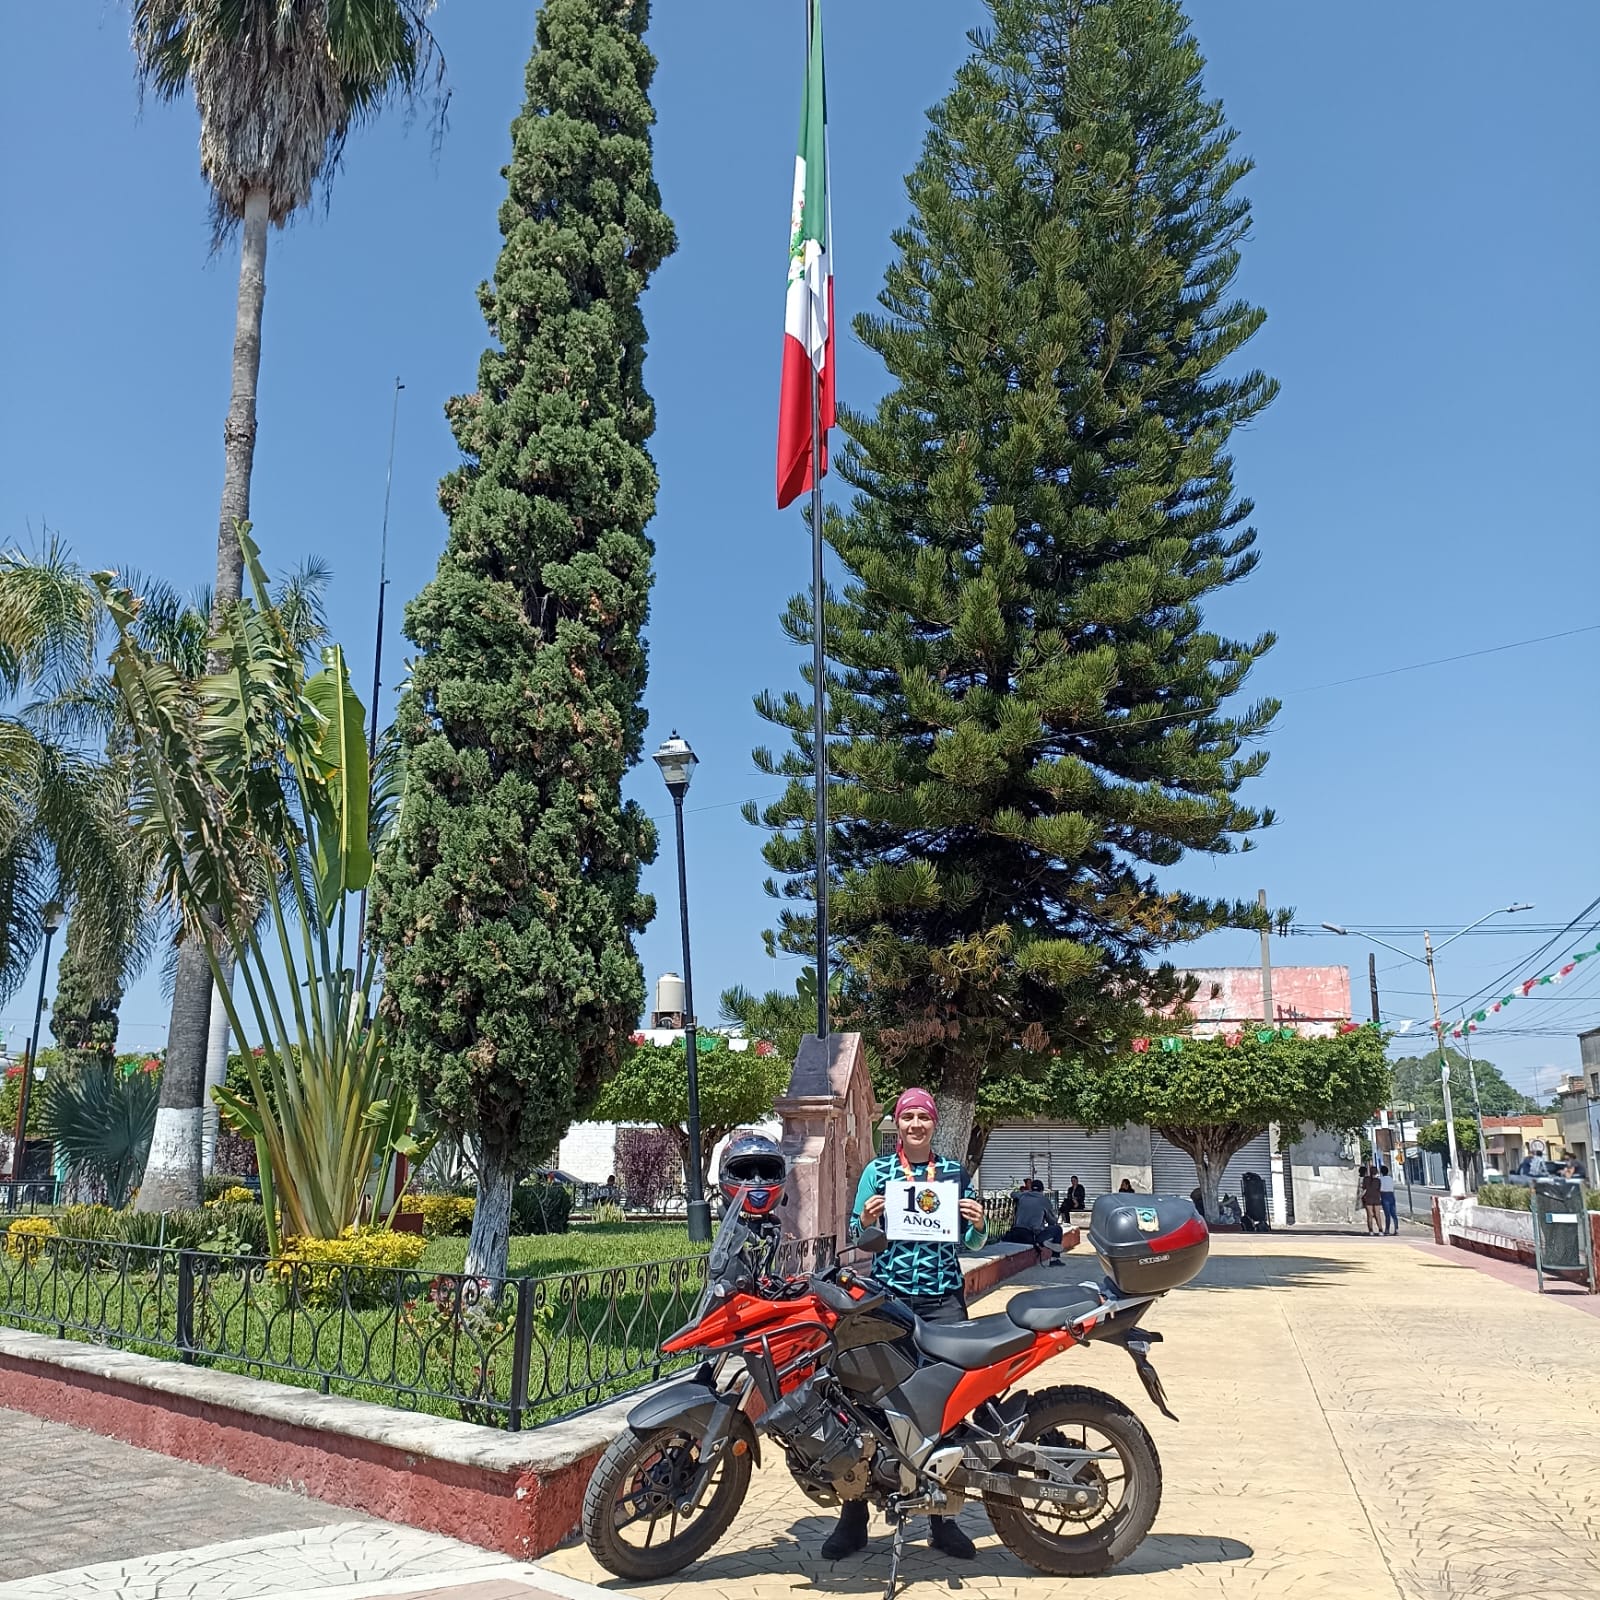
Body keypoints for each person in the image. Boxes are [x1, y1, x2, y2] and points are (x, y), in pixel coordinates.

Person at [824, 1087, 987, 1563]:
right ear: (897, 1123)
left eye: (923, 1117)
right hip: (890, 1301)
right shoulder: (878, 1173)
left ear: (934, 1123)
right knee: (868, 1405)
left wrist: (976, 1222)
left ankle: (943, 1518)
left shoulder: (954, 1173)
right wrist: (868, 1219)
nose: (915, 1124)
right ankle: (853, 1516)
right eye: (907, 1116)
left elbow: (973, 1241)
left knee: (949, 1408)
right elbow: (861, 1238)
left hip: (943, 1302)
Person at [1003, 1178, 1063, 1263]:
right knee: (1057, 1229)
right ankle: (1054, 1258)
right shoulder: (1044, 1200)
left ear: (1031, 1188)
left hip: (1017, 1232)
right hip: (1033, 1235)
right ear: (1042, 1190)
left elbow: (1012, 1194)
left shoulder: (1022, 1196)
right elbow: (1052, 1221)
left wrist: (1026, 1193)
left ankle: (1042, 1242)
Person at [1358, 1163, 1383, 1235]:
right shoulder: (1378, 1180)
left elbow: (1364, 1189)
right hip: (1376, 1198)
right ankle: (1380, 1230)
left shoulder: (1366, 1179)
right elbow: (1379, 1190)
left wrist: (1361, 1197)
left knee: (1370, 1215)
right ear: (1376, 1172)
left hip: (1368, 1198)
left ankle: (1371, 1230)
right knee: (1377, 1215)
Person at [1377, 1162, 1398, 1235]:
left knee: (1387, 1214)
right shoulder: (1390, 1178)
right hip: (1391, 1195)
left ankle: (1387, 1229)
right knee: (1394, 1214)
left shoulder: (1380, 1179)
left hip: (1384, 1195)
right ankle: (1396, 1229)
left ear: (1381, 1172)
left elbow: (1379, 1189)